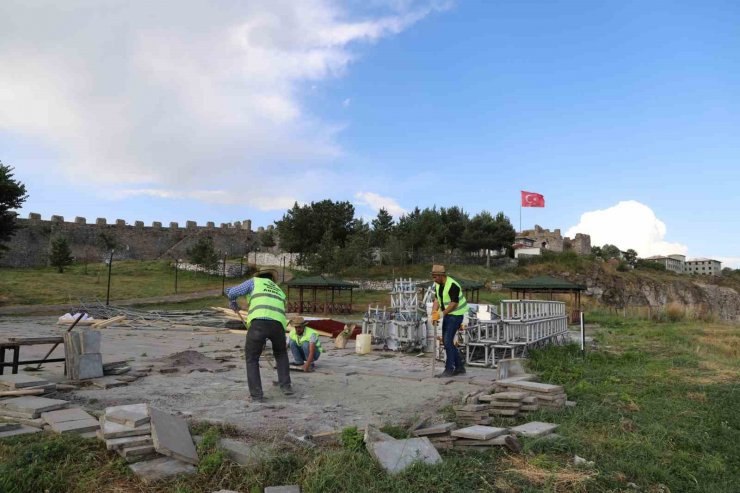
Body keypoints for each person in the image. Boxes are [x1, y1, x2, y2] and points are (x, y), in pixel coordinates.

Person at [226, 267, 293, 402]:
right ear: (272, 279)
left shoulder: (254, 282)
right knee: (281, 354)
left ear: (260, 275)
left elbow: (232, 292)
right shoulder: (279, 290)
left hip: (259, 324)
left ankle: (257, 395)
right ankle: (286, 386)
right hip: (279, 324)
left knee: (252, 358)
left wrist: (232, 302)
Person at [431, 264, 468, 378]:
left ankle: (449, 369)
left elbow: (454, 303)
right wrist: (434, 313)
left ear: (441, 276)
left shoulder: (452, 285)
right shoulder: (437, 284)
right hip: (448, 315)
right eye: (433, 276)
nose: (434, 279)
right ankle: (460, 368)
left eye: (435, 277)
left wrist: (442, 313)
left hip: (456, 315)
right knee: (448, 342)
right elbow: (437, 299)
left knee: (447, 342)